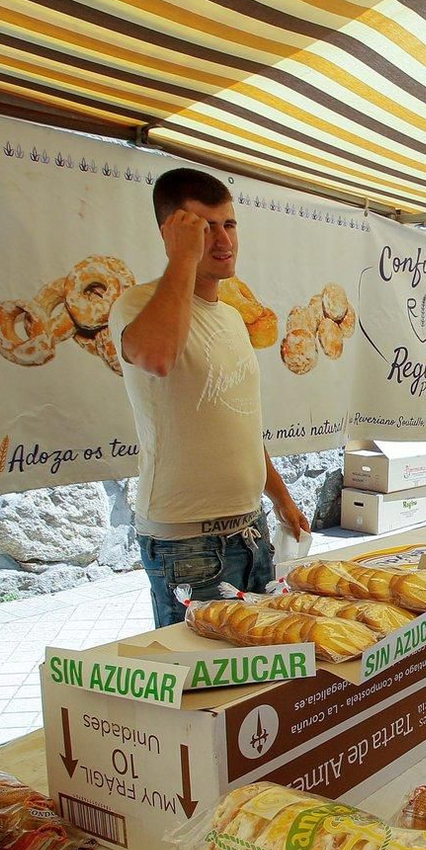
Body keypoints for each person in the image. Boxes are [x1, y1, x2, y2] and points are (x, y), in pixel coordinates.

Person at [110, 168, 310, 628]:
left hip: (251, 530)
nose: (222, 240)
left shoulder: (232, 319)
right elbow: (157, 357)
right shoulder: (137, 305)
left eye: (229, 224)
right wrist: (182, 259)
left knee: (261, 680)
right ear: (172, 233)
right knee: (204, 689)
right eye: (204, 227)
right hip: (188, 546)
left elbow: (237, 423)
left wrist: (280, 499)